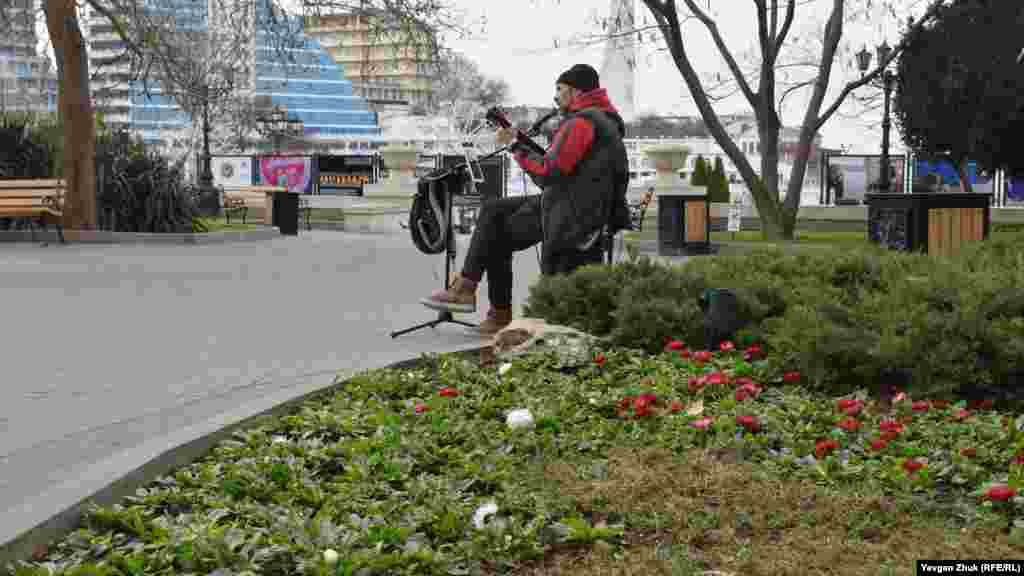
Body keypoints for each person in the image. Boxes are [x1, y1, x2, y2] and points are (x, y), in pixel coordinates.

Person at [419, 63, 630, 335]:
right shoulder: (603, 119)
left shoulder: (581, 123)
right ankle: (478, 298)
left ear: (576, 92)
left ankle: (478, 299)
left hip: (571, 214)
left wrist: (515, 147)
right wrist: (519, 141)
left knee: (494, 229)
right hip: (578, 206)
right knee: (494, 213)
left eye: (560, 90)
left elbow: (549, 172)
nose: (556, 97)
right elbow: (563, 164)